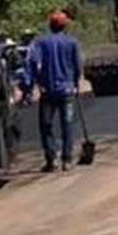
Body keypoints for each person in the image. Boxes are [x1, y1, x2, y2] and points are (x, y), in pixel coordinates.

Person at [29, 11, 82, 172]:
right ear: (65, 25)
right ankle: (67, 160)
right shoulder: (72, 42)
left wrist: (38, 82)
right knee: (67, 125)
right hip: (67, 91)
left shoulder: (40, 42)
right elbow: (78, 66)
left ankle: (51, 160)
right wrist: (75, 83)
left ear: (50, 25)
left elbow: (33, 62)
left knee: (46, 126)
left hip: (48, 91)